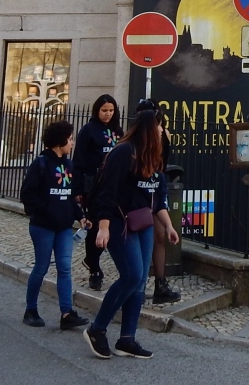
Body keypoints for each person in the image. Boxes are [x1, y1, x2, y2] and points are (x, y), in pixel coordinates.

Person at [84, 104, 180, 360]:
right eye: (159, 127)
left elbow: (157, 199)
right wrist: (103, 227)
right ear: (149, 128)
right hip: (119, 222)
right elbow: (108, 191)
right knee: (131, 275)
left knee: (139, 282)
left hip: (143, 223)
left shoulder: (154, 158)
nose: (162, 131)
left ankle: (127, 338)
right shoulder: (123, 152)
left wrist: (168, 225)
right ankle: (97, 329)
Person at [19, 119, 89, 331]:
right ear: (60, 141)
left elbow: (70, 196)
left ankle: (67, 313)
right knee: (41, 267)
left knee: (64, 268)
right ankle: (31, 310)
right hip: (43, 226)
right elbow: (27, 194)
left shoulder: (69, 165)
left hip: (64, 227)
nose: (72, 143)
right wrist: (46, 211)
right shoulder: (40, 164)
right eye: (70, 139)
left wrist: (80, 216)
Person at [73, 94, 122, 291]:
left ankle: (93, 258)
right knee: (93, 224)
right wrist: (77, 188)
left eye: (111, 110)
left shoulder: (118, 130)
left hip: (113, 182)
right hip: (92, 183)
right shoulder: (88, 130)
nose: (108, 114)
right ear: (97, 111)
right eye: (104, 111)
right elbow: (78, 161)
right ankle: (94, 268)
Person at [147, 101, 182, 305]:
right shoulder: (134, 143)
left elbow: (162, 161)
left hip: (156, 184)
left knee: (160, 235)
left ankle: (160, 283)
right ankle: (137, 285)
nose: (160, 129)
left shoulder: (164, 135)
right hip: (141, 190)